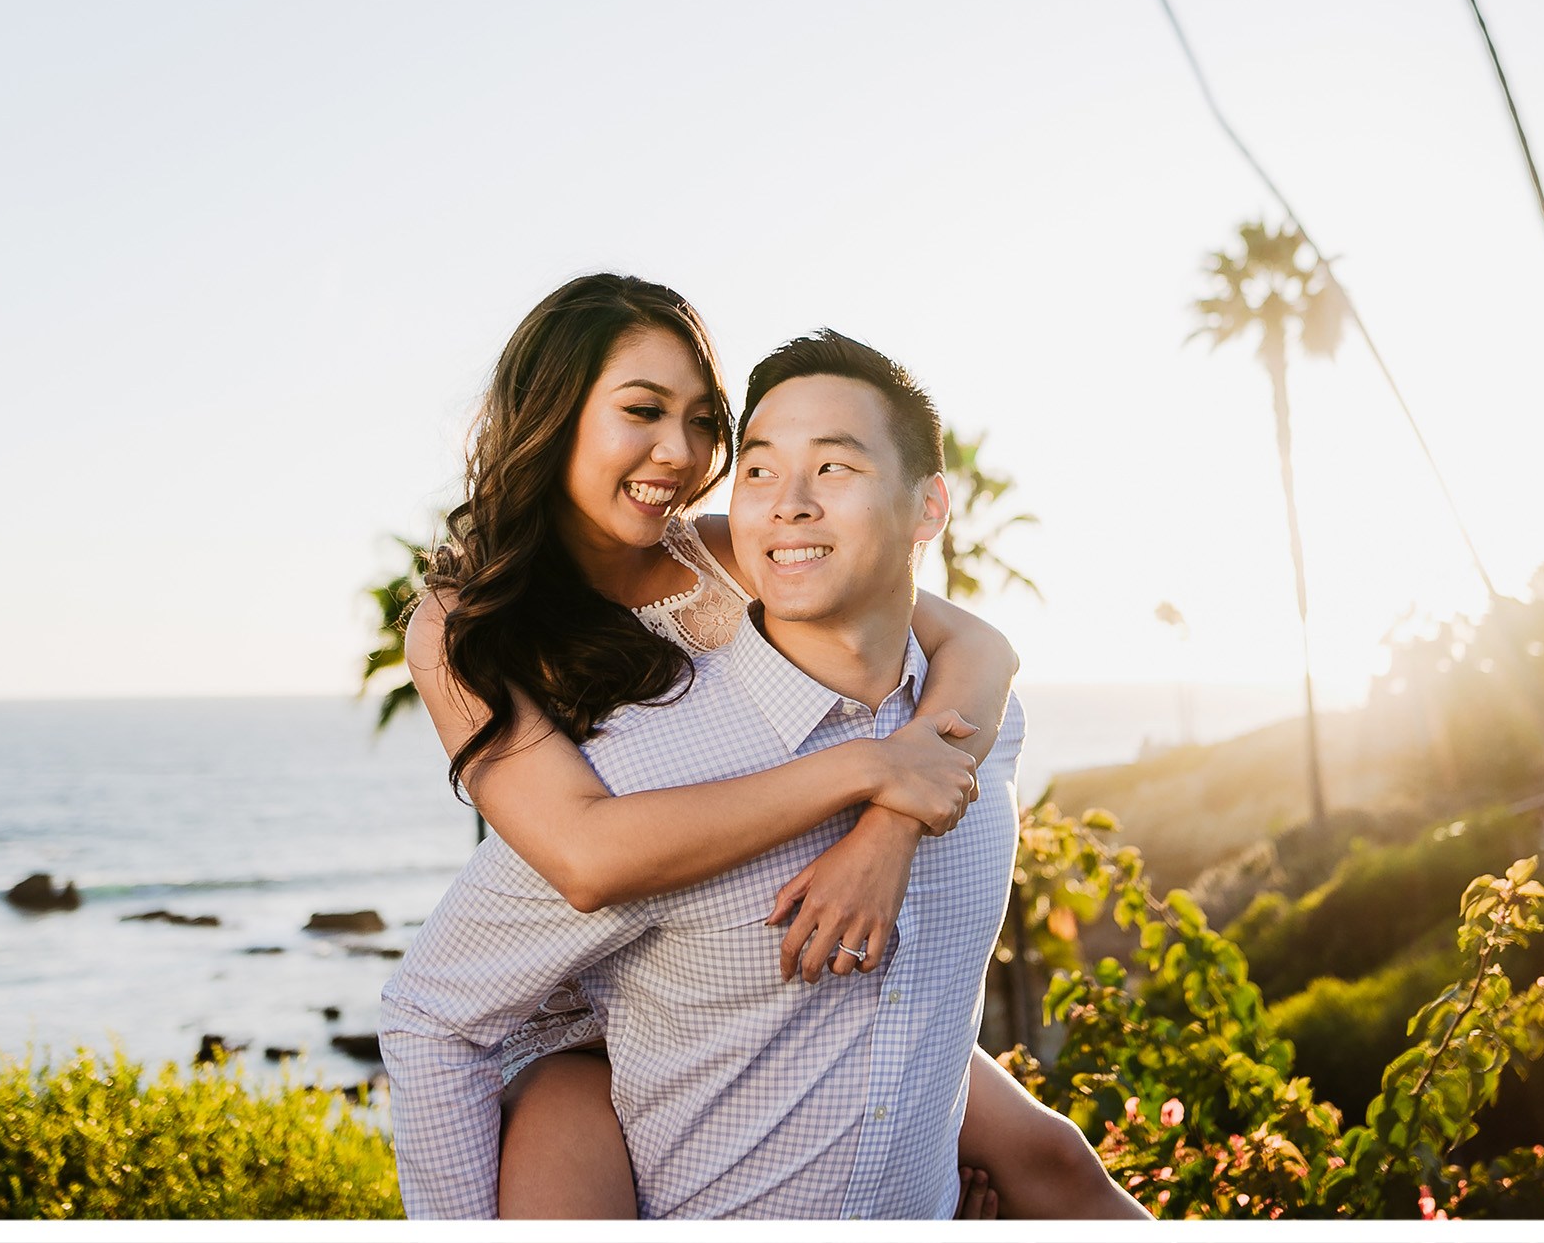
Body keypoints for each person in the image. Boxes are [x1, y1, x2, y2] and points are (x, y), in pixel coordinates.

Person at [382, 288, 1142, 1219]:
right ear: (552, 413)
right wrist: (867, 772)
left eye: (704, 423)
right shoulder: (465, 626)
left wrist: (893, 826)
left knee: (1051, 1159)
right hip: (579, 1020)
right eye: (642, 411)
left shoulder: (722, 549)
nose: (682, 454)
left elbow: (979, 650)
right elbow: (584, 856)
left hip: (745, 978)